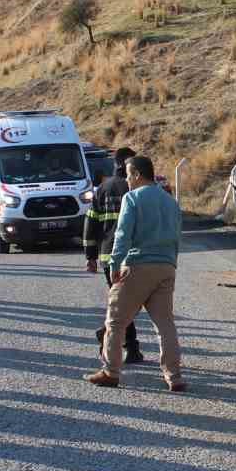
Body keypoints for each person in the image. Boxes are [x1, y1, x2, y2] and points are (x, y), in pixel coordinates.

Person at [85, 155, 184, 391]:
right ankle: (174, 376)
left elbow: (123, 235)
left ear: (138, 175)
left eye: (129, 175)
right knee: (165, 324)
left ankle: (110, 371)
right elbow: (177, 236)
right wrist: (172, 263)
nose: (127, 180)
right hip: (166, 266)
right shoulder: (171, 201)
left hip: (138, 265)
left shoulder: (132, 198)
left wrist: (115, 264)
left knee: (116, 321)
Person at [84, 147, 145, 366]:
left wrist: (90, 256)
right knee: (132, 303)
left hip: (109, 257)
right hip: (135, 256)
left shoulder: (103, 188)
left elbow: (90, 224)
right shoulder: (139, 190)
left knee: (122, 302)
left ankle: (122, 341)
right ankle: (126, 344)